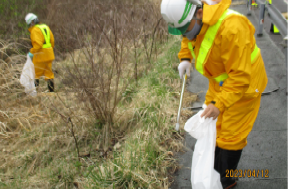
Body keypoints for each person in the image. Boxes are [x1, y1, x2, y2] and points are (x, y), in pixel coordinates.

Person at [161, 0, 268, 188]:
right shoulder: (195, 22)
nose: (184, 34)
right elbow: (189, 37)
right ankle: (215, 163)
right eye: (180, 30)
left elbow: (240, 78)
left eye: (185, 28)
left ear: (200, 13)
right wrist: (185, 57)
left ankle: (226, 179)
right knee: (215, 125)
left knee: (231, 135)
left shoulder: (232, 29)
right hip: (220, 81)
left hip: (245, 86)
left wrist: (219, 104)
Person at [25, 13, 55, 92]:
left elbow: (38, 44)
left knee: (35, 74)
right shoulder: (45, 27)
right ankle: (51, 92)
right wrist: (49, 50)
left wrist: (32, 52)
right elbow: (52, 41)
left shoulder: (35, 30)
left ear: (31, 22)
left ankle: (34, 92)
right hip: (49, 54)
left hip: (40, 55)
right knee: (49, 73)